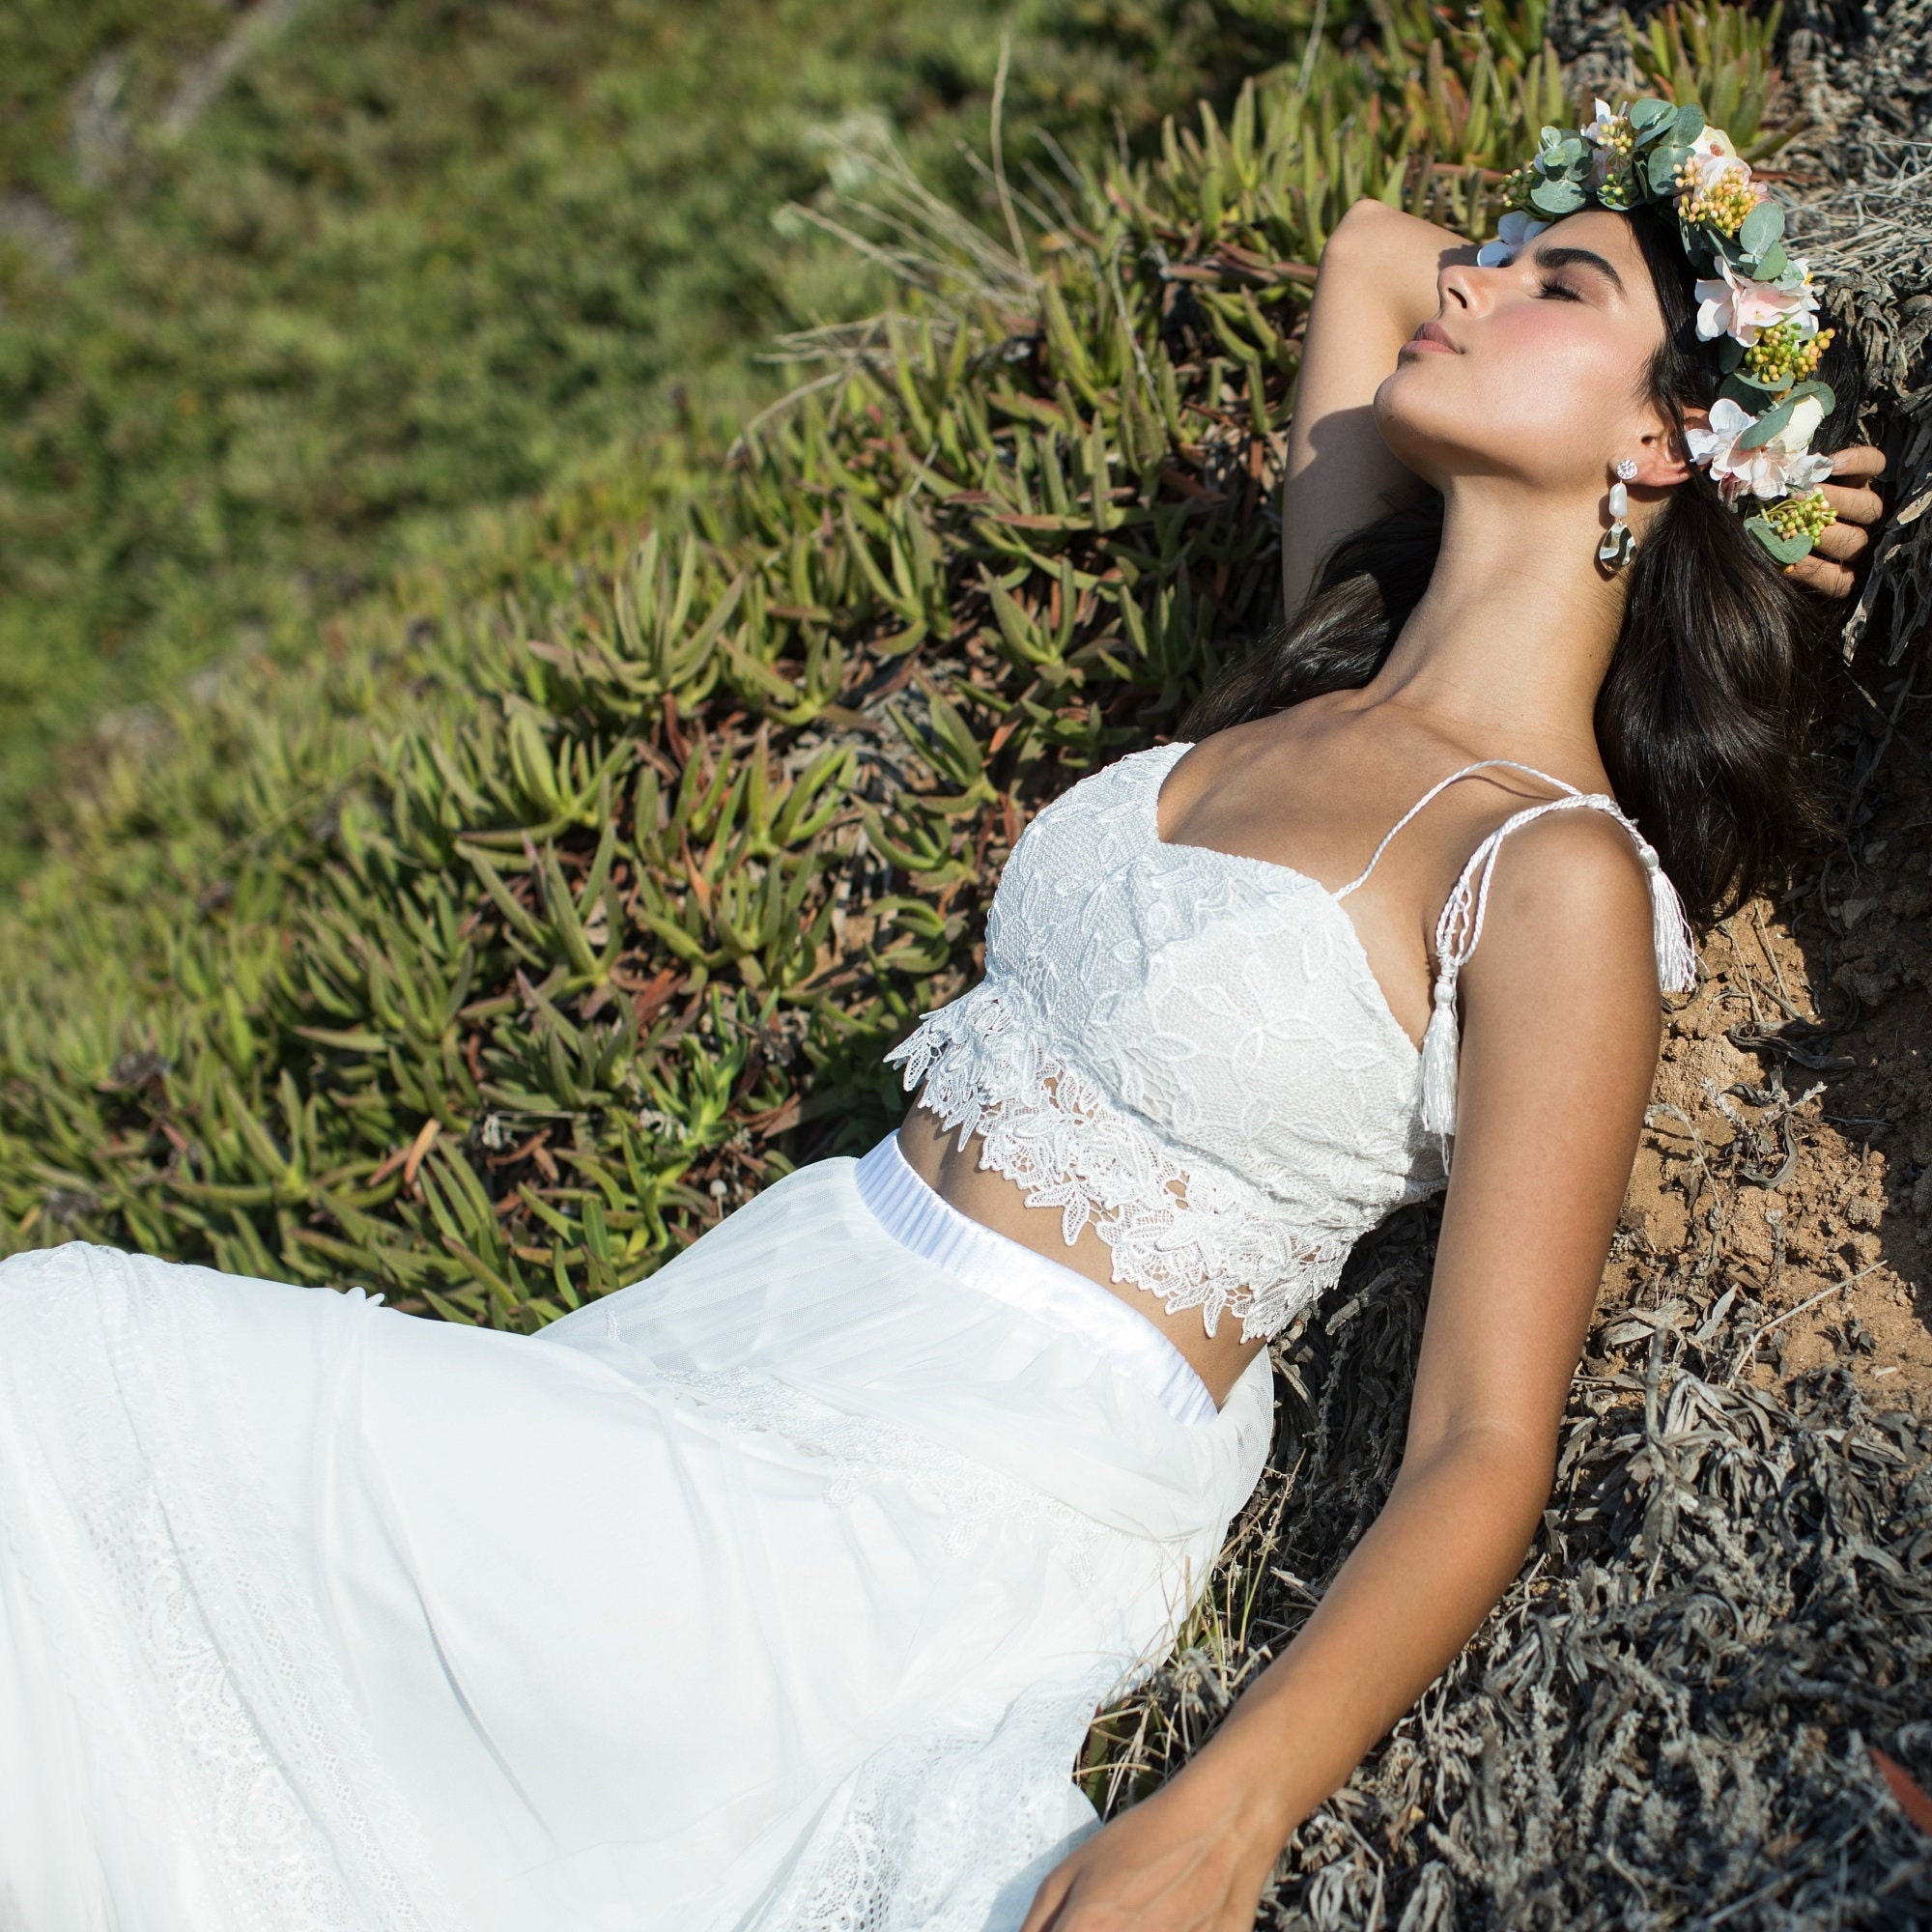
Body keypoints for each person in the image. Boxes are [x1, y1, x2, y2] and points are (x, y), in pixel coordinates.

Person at [0, 101, 1888, 1932]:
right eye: (1495, 256)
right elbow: (1374, 253)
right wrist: (1733, 443)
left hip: (940, 1509)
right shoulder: (1328, 655)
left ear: (1653, 439)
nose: (1463, 283)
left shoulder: (1545, 868)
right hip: (760, 1315)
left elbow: (1484, 1438)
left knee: (56, 1354)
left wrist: (1219, 1818)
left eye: (1549, 279)